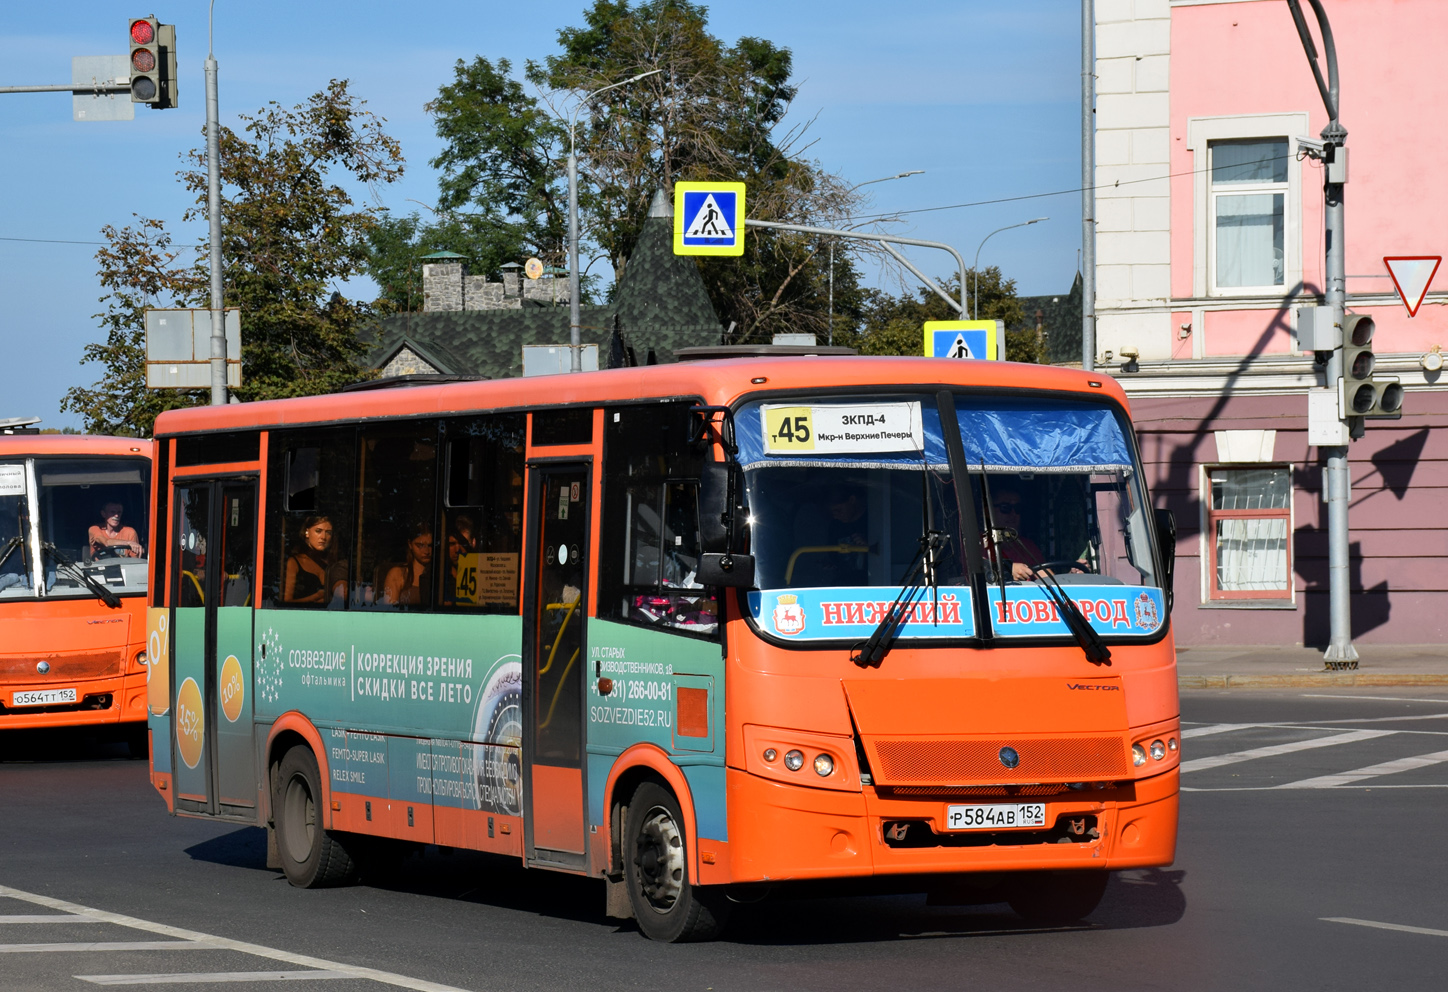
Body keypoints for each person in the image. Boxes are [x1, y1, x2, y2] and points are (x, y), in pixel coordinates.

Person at [989, 485, 1085, 580]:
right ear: (988, 511)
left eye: (1018, 508)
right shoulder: (978, 545)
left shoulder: (1027, 546)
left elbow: (1049, 581)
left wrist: (1071, 576)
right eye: (1005, 508)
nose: (1013, 514)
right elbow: (978, 569)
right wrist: (1008, 568)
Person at [283, 515, 346, 605]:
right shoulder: (294, 562)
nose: (323, 537)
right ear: (307, 532)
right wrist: (314, 598)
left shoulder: (334, 564)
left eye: (328, 532)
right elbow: (286, 603)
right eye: (318, 531)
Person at [383, 524, 433, 607]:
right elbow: (389, 612)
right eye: (420, 546)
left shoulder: (439, 575)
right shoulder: (398, 574)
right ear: (410, 544)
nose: (426, 551)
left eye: (430, 546)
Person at [442, 514, 476, 605]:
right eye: (452, 544)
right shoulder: (440, 576)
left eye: (463, 543)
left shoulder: (482, 573)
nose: (457, 550)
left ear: (473, 543)